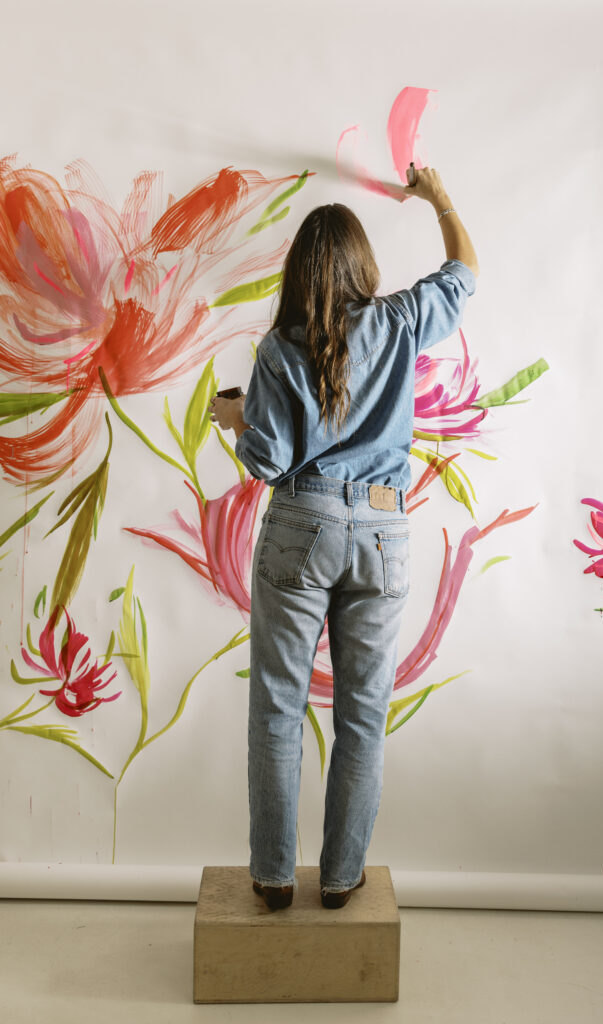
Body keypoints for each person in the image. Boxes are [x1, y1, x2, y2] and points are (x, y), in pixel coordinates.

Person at [210, 167, 478, 911]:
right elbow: (465, 271)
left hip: (302, 523)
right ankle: (339, 878)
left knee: (276, 705)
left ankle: (270, 877)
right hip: (384, 531)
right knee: (362, 712)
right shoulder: (399, 320)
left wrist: (233, 421)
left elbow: (266, 462)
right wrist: (437, 198)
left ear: (297, 271)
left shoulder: (277, 349)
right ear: (363, 267)